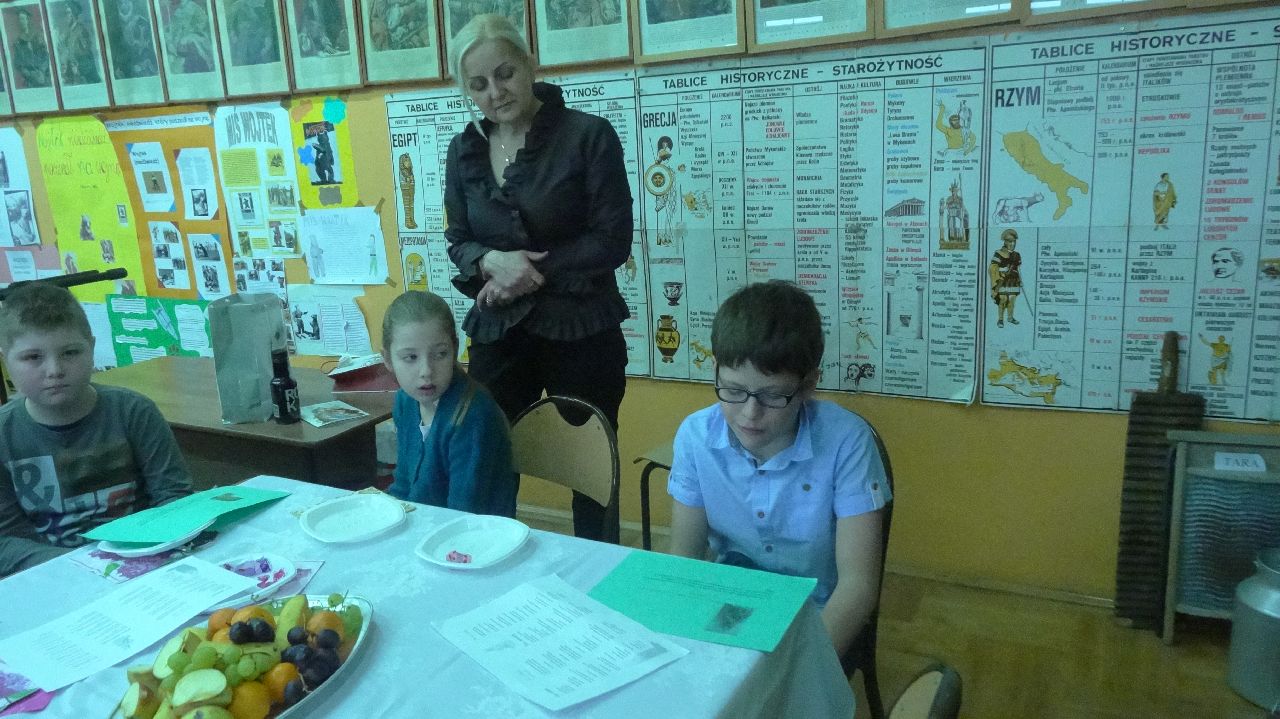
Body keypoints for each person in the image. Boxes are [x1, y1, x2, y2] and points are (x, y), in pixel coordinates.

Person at [443, 14, 631, 540]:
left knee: (590, 476)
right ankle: (487, 568)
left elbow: (612, 240)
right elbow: (458, 240)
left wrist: (523, 271)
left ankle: (599, 579)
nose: (495, 92)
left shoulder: (588, 136)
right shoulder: (463, 151)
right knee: (487, 464)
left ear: (530, 64)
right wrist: (490, 261)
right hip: (499, 333)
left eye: (505, 74)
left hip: (581, 329)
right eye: (478, 84)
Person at [667, 280, 890, 661]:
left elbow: (858, 586)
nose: (749, 414)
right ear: (716, 371)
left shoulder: (846, 441)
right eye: (733, 390)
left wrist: (802, 669)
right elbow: (684, 558)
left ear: (808, 385)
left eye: (772, 395)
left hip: (816, 613)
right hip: (728, 604)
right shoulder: (695, 436)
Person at [0, 284, 193, 577]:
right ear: (5, 360)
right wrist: (87, 566)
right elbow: (7, 539)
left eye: (70, 352)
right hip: (53, 574)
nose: (55, 370)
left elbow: (174, 498)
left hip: (144, 564)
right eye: (33, 357)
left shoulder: (134, 412)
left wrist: (141, 557)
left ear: (91, 348)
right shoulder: (4, 434)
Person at [381, 290, 517, 517]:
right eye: (411, 357)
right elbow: (403, 485)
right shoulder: (405, 401)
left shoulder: (472, 415)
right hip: (425, 524)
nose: (426, 371)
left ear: (454, 349)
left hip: (471, 531)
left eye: (440, 354)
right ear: (388, 359)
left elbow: (464, 513)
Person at [989, 228, 1022, 328]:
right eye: (1010, 242)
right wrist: (1002, 269)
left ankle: (1010, 318)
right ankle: (1000, 319)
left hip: (1013, 280)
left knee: (1012, 300)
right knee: (1003, 299)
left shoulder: (1016, 255)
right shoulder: (999, 253)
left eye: (1014, 241)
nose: (1012, 244)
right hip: (1002, 280)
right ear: (1005, 242)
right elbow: (992, 268)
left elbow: (1018, 269)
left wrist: (1020, 280)